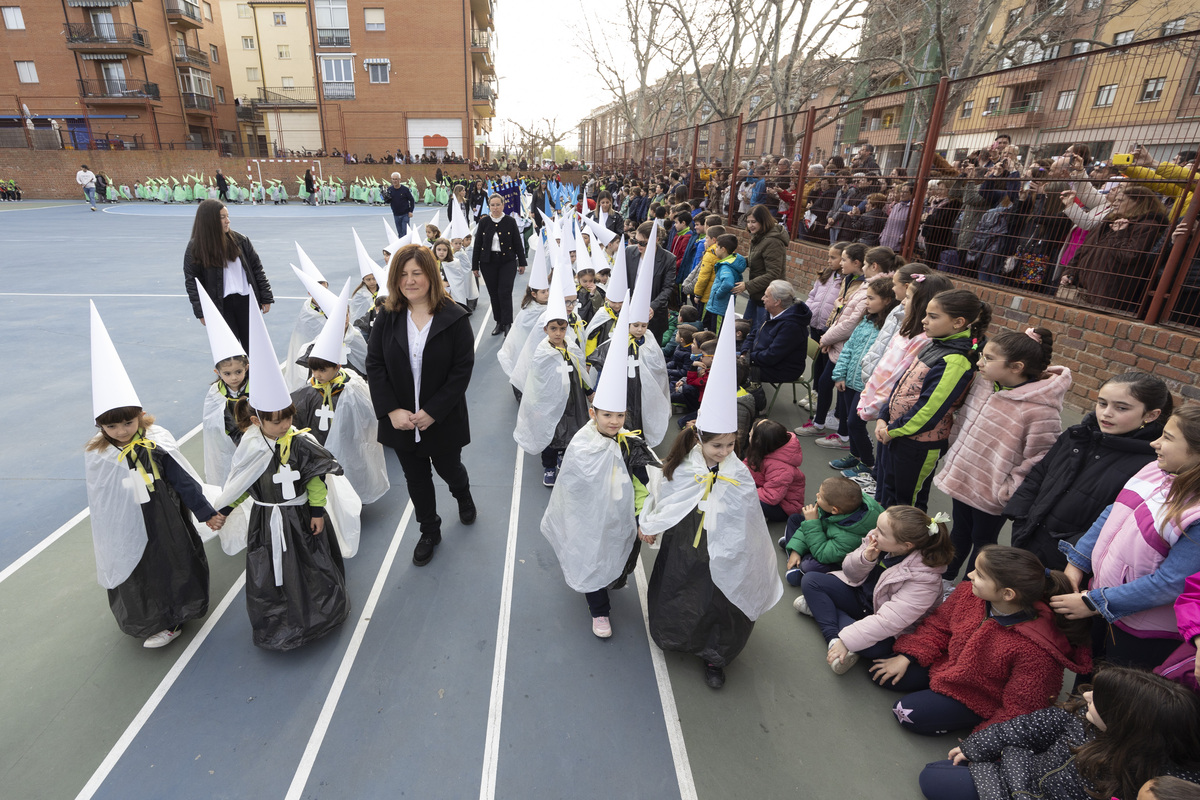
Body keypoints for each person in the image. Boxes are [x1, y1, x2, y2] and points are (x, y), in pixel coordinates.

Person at [641, 298, 784, 688]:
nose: (725, 453)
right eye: (717, 446)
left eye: (731, 445)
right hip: (687, 541)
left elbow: (748, 517)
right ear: (699, 439)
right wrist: (651, 524)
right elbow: (666, 496)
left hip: (726, 545)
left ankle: (715, 654)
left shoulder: (738, 474)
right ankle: (676, 635)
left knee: (719, 596)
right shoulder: (684, 466)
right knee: (682, 586)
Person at [214, 303, 357, 651]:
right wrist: (224, 509)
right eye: (275, 421)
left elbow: (315, 480)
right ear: (256, 421)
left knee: (310, 566)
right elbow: (242, 483)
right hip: (266, 519)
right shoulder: (252, 447)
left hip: (300, 516)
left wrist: (318, 512)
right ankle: (280, 619)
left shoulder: (301, 442)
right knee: (271, 571)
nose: (282, 426)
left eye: (287, 419)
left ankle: (318, 616)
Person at [86, 303, 220, 649]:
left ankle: (173, 616)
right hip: (129, 523)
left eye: (127, 422)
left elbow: (183, 481)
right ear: (100, 426)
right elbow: (103, 501)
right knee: (140, 568)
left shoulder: (156, 444)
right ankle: (149, 613)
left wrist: (207, 513)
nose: (120, 430)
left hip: (164, 521)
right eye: (111, 425)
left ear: (140, 416)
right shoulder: (100, 455)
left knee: (170, 562)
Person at [871, 545, 1092, 736]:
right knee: (884, 675)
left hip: (981, 695)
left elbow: (1024, 706)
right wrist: (908, 655)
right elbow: (939, 625)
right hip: (950, 666)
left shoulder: (1037, 648)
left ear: (1007, 594)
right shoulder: (970, 593)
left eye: (980, 575)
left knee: (906, 712)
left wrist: (986, 741)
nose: (969, 576)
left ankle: (967, 716)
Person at [540, 303, 659, 638]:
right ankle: (599, 610)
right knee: (591, 555)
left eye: (619, 416)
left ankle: (604, 583)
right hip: (590, 516)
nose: (613, 421)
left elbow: (640, 483)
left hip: (618, 515)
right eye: (607, 415)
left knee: (615, 557)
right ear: (593, 413)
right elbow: (575, 485)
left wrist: (642, 517)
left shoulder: (629, 442)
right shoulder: (582, 444)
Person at [1052, 406, 1200, 672]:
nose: (1155, 443)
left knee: (1109, 700)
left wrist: (1095, 602)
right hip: (1099, 606)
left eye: (1167, 437)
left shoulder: (1196, 515)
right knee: (1085, 681)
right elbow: (1113, 512)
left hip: (1140, 633)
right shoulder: (1156, 469)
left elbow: (1170, 584)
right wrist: (1076, 565)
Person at [917, 666, 1200, 800]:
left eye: (1098, 698)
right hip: (1024, 777)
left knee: (935, 779)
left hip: (1029, 790)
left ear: (1123, 721)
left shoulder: (1159, 784)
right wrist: (977, 746)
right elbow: (1026, 727)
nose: (1087, 695)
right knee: (936, 773)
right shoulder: (1083, 716)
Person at [366, 244, 476, 566]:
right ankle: (429, 530)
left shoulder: (454, 318)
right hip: (401, 421)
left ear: (431, 274)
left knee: (448, 468)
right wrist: (390, 410)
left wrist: (433, 411)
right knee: (416, 478)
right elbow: (375, 364)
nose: (409, 281)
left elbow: (461, 370)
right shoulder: (387, 315)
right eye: (402, 274)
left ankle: (462, 494)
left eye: (416, 273)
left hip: (440, 419)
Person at [934, 328, 1069, 580]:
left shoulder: (1041, 410)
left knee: (983, 541)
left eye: (988, 358)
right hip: (964, 478)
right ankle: (944, 579)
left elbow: (1040, 457)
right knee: (960, 531)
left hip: (993, 492)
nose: (979, 362)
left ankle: (967, 593)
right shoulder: (986, 384)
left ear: (1016, 366)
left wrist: (1008, 488)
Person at [1005, 372, 1173, 570]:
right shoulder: (1076, 437)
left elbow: (1116, 525)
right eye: (1102, 403)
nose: (1106, 413)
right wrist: (1021, 517)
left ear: (1151, 415)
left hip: (1068, 564)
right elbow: (1039, 474)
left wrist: (1074, 556)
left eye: (1121, 408)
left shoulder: (1149, 467)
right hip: (1026, 539)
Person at [799, 506, 954, 675]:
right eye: (877, 527)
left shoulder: (925, 580)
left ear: (905, 546)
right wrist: (864, 559)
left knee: (874, 649)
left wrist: (847, 640)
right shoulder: (878, 540)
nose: (874, 533)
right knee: (811, 581)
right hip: (862, 599)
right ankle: (832, 637)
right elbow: (849, 572)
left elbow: (889, 621)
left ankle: (823, 611)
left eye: (881, 532)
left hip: (888, 624)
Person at [875, 288, 989, 510]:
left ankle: (911, 545)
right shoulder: (934, 344)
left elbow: (929, 409)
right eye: (926, 314)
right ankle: (886, 540)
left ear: (958, 322)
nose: (924, 321)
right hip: (897, 433)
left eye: (933, 317)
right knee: (889, 493)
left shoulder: (955, 360)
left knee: (909, 505)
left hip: (918, 445)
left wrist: (892, 430)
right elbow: (902, 383)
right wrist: (883, 416)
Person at [289, 286, 390, 505]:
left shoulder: (352, 381)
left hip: (347, 431)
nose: (317, 374)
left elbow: (367, 372)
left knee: (351, 459)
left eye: (345, 314)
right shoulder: (313, 351)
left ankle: (353, 498)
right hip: (321, 430)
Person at [513, 269, 591, 487]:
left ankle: (564, 456)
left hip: (573, 399)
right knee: (551, 431)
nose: (558, 333)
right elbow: (536, 381)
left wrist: (590, 391)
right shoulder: (542, 352)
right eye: (554, 328)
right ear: (546, 329)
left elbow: (581, 372)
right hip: (550, 400)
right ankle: (548, 465)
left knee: (573, 428)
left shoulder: (572, 347)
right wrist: (537, 405)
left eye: (562, 328)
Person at [828, 277, 898, 479]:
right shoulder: (866, 321)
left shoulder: (888, 329)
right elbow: (848, 348)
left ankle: (867, 461)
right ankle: (855, 454)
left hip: (866, 385)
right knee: (851, 421)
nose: (866, 302)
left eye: (871, 298)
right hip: (849, 380)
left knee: (854, 423)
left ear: (886, 300)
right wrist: (839, 373)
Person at [183, 200, 274, 352]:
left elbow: (257, 268)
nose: (228, 220)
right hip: (221, 306)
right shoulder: (196, 248)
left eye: (228, 216)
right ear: (209, 220)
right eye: (222, 217)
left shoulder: (241, 240)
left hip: (246, 302)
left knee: (254, 348)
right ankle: (235, 376)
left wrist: (266, 296)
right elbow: (192, 282)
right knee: (229, 351)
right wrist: (201, 312)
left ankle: (254, 375)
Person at [781, 476, 883, 584]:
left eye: (820, 496)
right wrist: (796, 550)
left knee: (809, 566)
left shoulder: (850, 537)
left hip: (834, 558)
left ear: (834, 510)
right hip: (826, 537)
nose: (817, 495)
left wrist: (811, 523)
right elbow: (811, 525)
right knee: (794, 519)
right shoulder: (845, 503)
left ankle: (796, 564)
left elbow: (822, 554)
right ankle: (795, 549)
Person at [194, 284, 249, 486]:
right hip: (229, 449)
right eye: (227, 373)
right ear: (217, 373)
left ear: (247, 367)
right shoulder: (215, 394)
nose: (234, 377)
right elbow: (212, 429)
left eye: (238, 372)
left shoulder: (257, 388)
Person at [473, 194, 528, 336]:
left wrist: (522, 262)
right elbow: (477, 245)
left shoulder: (510, 221)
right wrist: (475, 266)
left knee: (504, 292)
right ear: (489, 206)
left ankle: (507, 322)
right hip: (488, 263)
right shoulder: (484, 222)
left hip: (507, 262)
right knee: (493, 294)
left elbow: (517, 242)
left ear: (503, 205)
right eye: (492, 205)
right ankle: (499, 322)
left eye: (498, 205)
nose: (495, 208)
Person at [734, 205, 789, 330]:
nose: (750, 225)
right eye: (748, 222)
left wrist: (747, 285)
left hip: (768, 299)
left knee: (757, 333)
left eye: (754, 222)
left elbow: (774, 273)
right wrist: (735, 261)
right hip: (757, 295)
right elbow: (756, 259)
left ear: (763, 221)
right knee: (744, 329)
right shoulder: (759, 237)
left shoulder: (773, 242)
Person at [743, 418, 805, 523]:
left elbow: (772, 496)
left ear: (759, 442)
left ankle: (764, 516)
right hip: (768, 489)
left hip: (784, 507)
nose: (749, 436)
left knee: (745, 500)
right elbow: (747, 466)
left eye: (750, 435)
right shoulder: (767, 449)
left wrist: (744, 491)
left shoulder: (782, 469)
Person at [625, 220, 675, 341]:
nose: (638, 246)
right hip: (630, 310)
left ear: (656, 239)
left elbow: (668, 288)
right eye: (636, 241)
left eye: (643, 243)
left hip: (654, 314)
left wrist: (652, 307)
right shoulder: (629, 252)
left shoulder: (668, 259)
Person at [704, 233, 747, 333]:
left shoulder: (725, 267)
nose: (715, 249)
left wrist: (717, 294)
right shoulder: (730, 263)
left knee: (716, 333)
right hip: (719, 307)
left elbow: (728, 283)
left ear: (723, 249)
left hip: (720, 308)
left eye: (717, 247)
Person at [386, 172, 415, 238]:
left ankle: (407, 246)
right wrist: (385, 198)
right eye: (393, 179)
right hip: (396, 214)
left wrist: (411, 211)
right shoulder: (390, 190)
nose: (394, 181)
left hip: (405, 214)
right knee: (400, 232)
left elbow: (412, 200)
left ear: (400, 180)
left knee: (405, 231)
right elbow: (388, 201)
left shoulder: (405, 189)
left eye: (396, 179)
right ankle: (402, 247)